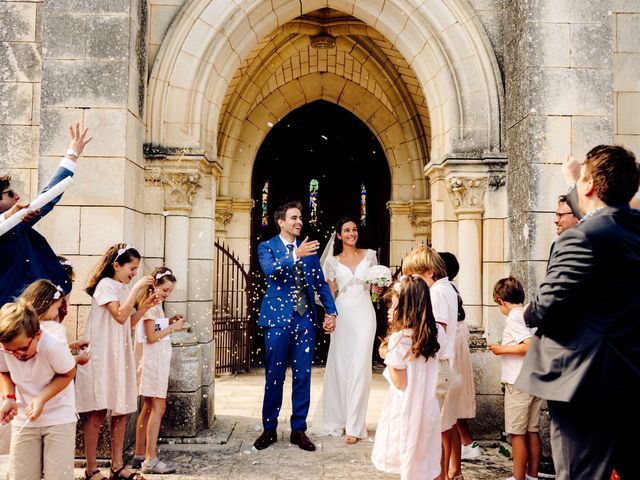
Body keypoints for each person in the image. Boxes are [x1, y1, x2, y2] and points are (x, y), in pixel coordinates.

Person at [515, 145, 640, 479]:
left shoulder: (581, 239)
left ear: (589, 187)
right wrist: (577, 180)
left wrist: (527, 312)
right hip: (629, 375)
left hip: (584, 382)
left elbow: (545, 307)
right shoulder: (633, 230)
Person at [253, 201, 337, 452]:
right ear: (281, 222)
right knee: (274, 376)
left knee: (303, 376)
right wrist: (294, 256)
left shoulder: (308, 250)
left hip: (305, 321)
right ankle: (269, 429)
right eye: (293, 218)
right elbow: (271, 272)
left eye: (300, 218)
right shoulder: (266, 247)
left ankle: (298, 430)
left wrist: (331, 311)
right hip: (277, 320)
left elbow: (320, 283)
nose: (299, 222)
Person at [75, 244, 156, 480]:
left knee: (121, 411)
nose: (134, 273)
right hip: (102, 355)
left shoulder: (122, 287)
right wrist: (137, 289)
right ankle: (91, 469)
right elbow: (119, 315)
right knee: (98, 412)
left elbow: (128, 322)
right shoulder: (105, 286)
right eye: (132, 268)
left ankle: (117, 466)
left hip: (120, 354)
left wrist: (144, 307)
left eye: (136, 269)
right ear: (116, 266)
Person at [0, 124, 92, 306]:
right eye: (10, 194)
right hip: (9, 312)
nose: (17, 196)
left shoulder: (17, 223)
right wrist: (71, 155)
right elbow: (47, 199)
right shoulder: (13, 226)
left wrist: (72, 155)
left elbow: (47, 198)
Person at [312, 217, 378, 444]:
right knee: (341, 367)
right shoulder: (332, 262)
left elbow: (374, 294)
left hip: (365, 314)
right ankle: (338, 418)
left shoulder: (370, 255)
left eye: (354, 229)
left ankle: (355, 425)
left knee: (361, 366)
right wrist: (329, 317)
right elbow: (329, 294)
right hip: (343, 314)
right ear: (338, 236)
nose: (351, 233)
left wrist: (377, 289)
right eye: (346, 230)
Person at [371, 275, 441, 479]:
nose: (390, 309)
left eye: (394, 304)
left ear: (405, 307)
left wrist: (387, 356)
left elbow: (400, 382)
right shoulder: (431, 334)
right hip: (428, 406)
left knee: (409, 462)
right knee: (427, 461)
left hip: (407, 408)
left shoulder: (399, 339)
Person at [0, 299, 77, 480]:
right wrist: (9, 397)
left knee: (58, 476)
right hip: (24, 418)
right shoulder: (6, 347)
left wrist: (41, 398)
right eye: (10, 351)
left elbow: (68, 373)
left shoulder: (52, 345)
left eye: (22, 348)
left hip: (59, 416)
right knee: (21, 475)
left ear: (37, 334)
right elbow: (4, 372)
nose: (16, 354)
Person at [401, 245, 458, 480]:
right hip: (439, 367)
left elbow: (438, 334)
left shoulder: (437, 292)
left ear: (429, 273)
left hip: (436, 369)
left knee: (429, 436)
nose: (410, 281)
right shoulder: (446, 288)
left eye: (414, 276)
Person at [132, 267, 185, 474]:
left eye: (170, 291)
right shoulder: (150, 306)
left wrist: (169, 322)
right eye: (165, 290)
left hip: (154, 363)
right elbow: (151, 337)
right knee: (158, 407)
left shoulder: (154, 306)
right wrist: (173, 328)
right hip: (152, 364)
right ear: (154, 286)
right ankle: (150, 459)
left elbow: (152, 328)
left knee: (147, 407)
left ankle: (139, 453)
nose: (167, 294)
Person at [489, 277, 541, 480]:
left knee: (517, 432)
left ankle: (519, 477)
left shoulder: (513, 316)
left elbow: (528, 346)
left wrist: (500, 349)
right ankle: (532, 475)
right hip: (533, 379)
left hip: (518, 382)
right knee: (532, 430)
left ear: (501, 301)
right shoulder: (529, 312)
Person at [438, 252, 480, 478]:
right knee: (451, 418)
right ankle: (455, 467)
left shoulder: (442, 292)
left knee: (447, 419)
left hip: (450, 358)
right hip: (454, 356)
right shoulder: (451, 290)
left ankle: (448, 469)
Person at [19, 279, 90, 365]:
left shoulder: (22, 325)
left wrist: (71, 346)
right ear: (48, 305)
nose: (57, 312)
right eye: (57, 307)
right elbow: (60, 363)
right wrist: (78, 359)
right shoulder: (54, 329)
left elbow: (46, 353)